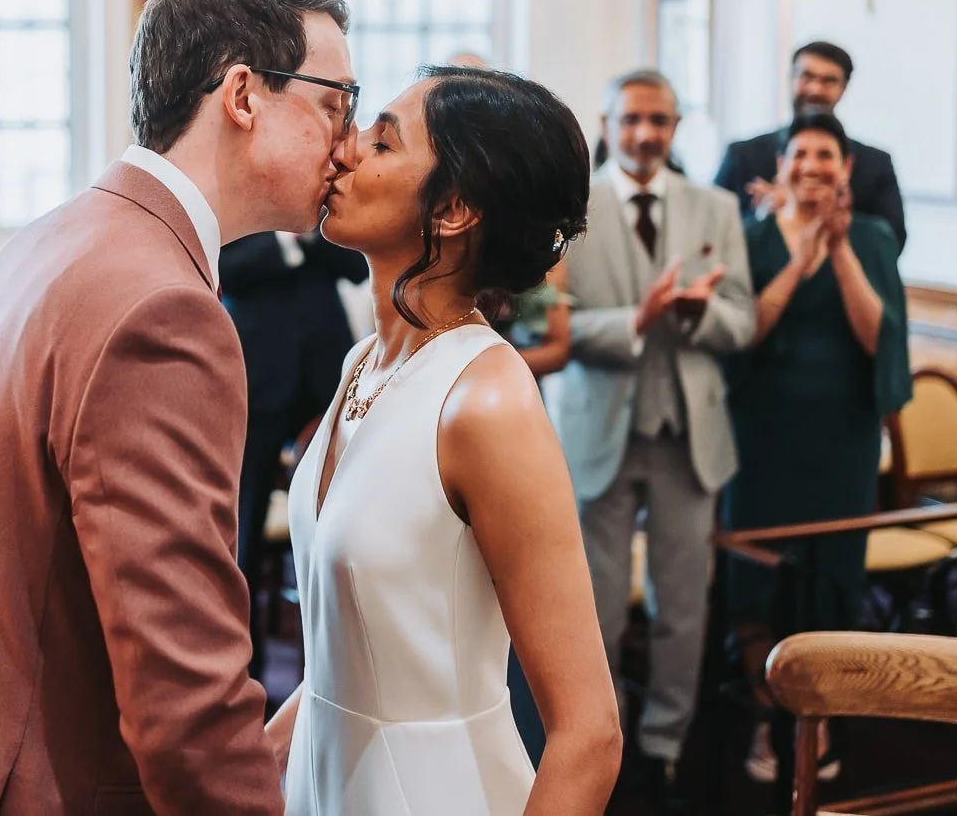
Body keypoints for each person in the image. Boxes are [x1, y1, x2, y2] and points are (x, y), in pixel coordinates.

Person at [0, 0, 354, 816]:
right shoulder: (163, 310)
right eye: (333, 104)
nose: (347, 144)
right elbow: (186, 703)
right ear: (243, 95)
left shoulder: (49, 239)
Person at [268, 66, 622, 815]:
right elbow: (363, 645)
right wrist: (266, 753)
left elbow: (589, 733)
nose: (343, 149)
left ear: (454, 208)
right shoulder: (361, 363)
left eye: (382, 141)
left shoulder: (487, 400)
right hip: (324, 780)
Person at [555, 70, 754, 809]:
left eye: (660, 121)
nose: (646, 133)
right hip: (594, 433)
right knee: (592, 610)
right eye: (632, 119)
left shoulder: (718, 207)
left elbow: (745, 319)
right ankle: (597, 744)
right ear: (607, 123)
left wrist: (702, 314)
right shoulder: (568, 207)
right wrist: (632, 322)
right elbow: (547, 328)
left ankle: (666, 743)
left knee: (684, 605)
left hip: (689, 436)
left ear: (676, 127)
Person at [722, 110, 911, 782]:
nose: (812, 167)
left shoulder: (875, 236)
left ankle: (819, 718)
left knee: (833, 577)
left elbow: (877, 338)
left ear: (846, 168)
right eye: (799, 155)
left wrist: (837, 254)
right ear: (781, 165)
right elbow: (745, 331)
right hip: (760, 434)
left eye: (825, 156)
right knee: (757, 579)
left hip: (842, 437)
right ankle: (766, 715)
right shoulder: (747, 237)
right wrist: (797, 263)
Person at [219, 228, 368, 682]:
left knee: (346, 521)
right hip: (255, 380)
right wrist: (286, 242)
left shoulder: (326, 209)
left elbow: (358, 268)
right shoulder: (241, 205)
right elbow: (226, 270)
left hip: (326, 381)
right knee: (239, 528)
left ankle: (338, 661)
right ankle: (241, 671)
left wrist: (312, 237)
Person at [714, 41, 906, 249]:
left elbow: (894, 242)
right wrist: (766, 214)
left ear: (843, 89)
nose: (815, 89)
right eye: (807, 76)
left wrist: (831, 215)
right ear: (791, 79)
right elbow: (711, 230)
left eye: (828, 81)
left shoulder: (875, 164)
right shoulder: (743, 155)